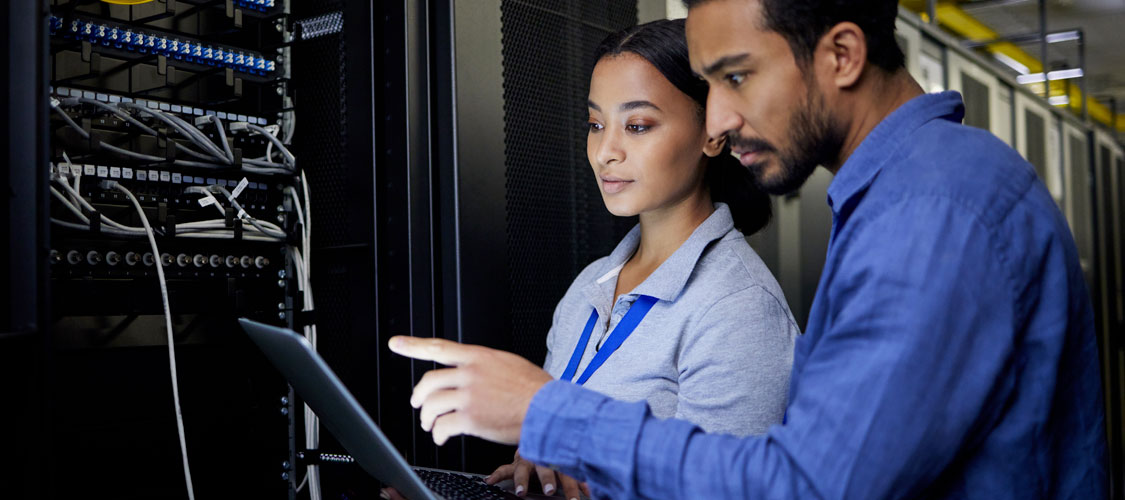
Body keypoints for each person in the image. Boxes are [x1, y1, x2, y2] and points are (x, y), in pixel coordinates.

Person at [389, 0, 1108, 498]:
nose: (722, 119)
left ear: (841, 54)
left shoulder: (930, 210)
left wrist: (552, 415)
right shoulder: (908, 196)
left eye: (735, 77)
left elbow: (810, 487)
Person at [481, 18, 799, 499]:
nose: (605, 151)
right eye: (595, 124)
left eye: (637, 125)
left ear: (712, 133)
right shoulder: (588, 287)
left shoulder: (739, 307)